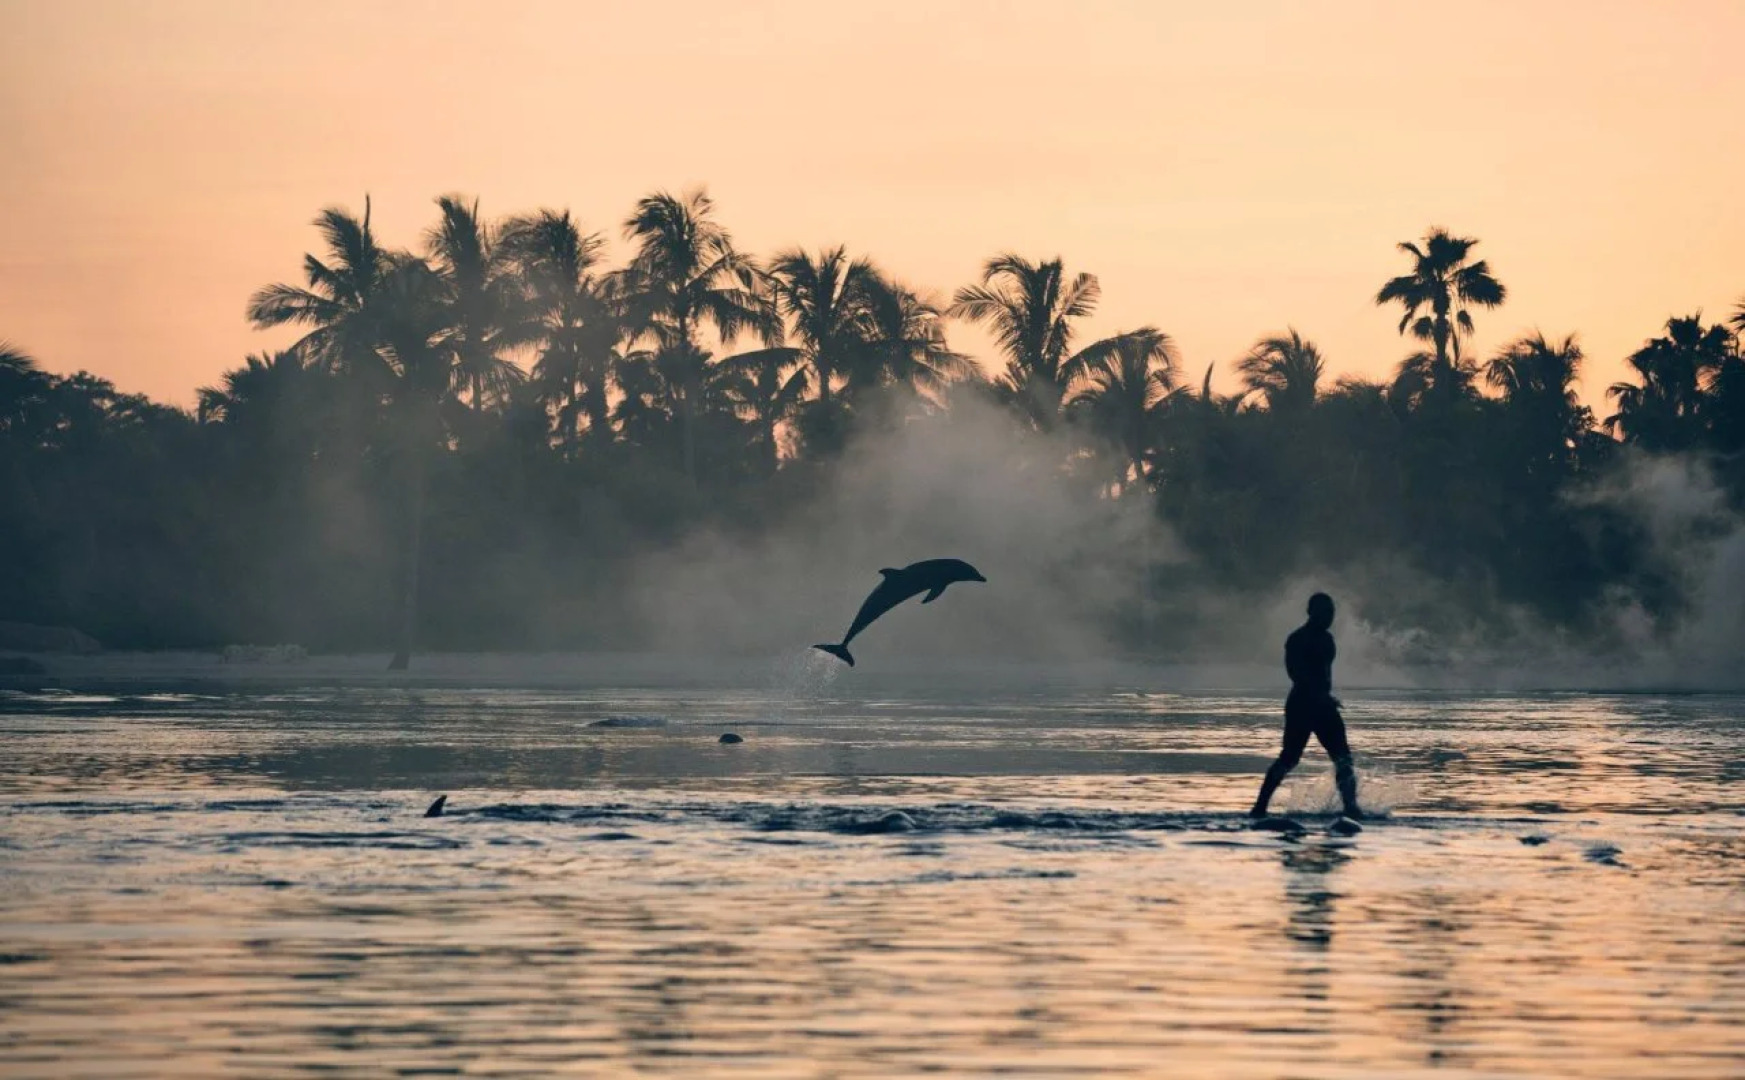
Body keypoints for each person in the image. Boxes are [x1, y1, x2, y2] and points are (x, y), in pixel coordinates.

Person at [1249, 592, 1362, 819]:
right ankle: (1260, 806)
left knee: (1343, 758)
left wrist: (1326, 698)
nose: (1329, 617)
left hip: (1323, 706)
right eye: (1325, 613)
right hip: (1302, 704)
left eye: (1331, 613)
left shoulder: (1328, 639)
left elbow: (1324, 674)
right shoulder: (1297, 639)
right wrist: (1320, 695)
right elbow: (1296, 674)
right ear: (1311, 612)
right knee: (1289, 758)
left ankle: (1351, 807)